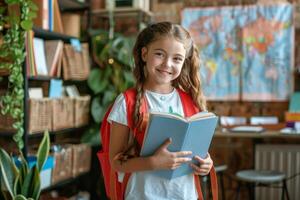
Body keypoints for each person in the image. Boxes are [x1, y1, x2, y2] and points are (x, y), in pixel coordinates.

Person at [108, 21, 213, 200]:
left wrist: (206, 164)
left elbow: (197, 152)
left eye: (176, 59)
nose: (167, 64)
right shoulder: (126, 102)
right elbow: (116, 162)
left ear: (184, 62)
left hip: (185, 195)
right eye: (159, 54)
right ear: (144, 54)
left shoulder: (191, 101)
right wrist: (153, 162)